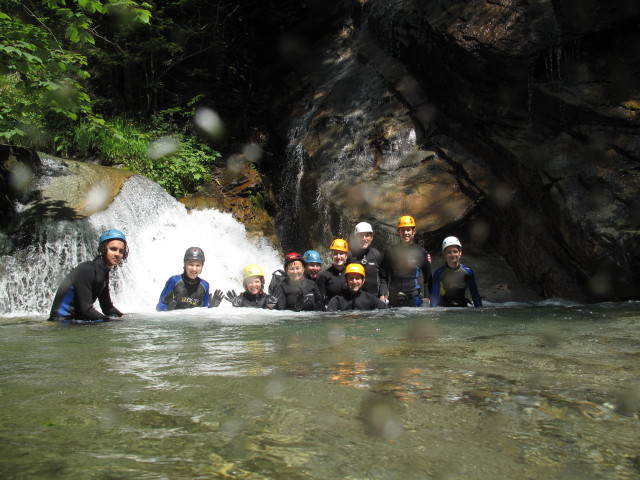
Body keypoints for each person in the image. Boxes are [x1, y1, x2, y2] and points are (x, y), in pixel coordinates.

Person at [49, 229, 129, 322]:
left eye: (121, 251)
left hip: (77, 322)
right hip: (61, 322)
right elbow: (86, 310)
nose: (117, 254)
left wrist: (124, 317)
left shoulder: (104, 273)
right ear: (103, 249)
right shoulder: (87, 269)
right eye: (113, 249)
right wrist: (110, 322)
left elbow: (107, 308)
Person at [379, 215, 432, 307]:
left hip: (414, 300)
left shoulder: (420, 251)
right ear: (398, 231)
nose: (405, 233)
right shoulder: (390, 251)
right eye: (402, 230)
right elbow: (384, 277)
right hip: (394, 300)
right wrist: (382, 295)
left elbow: (428, 278)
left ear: (413, 231)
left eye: (408, 230)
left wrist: (427, 298)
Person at [156, 247, 223, 311]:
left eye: (198, 265)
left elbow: (204, 311)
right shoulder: (174, 281)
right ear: (185, 264)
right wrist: (167, 308)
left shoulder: (205, 285)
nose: (194, 269)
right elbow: (158, 306)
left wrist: (212, 307)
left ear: (202, 266)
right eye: (191, 264)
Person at [430, 236, 482, 307]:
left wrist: (479, 311)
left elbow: (475, 295)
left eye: (455, 251)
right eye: (449, 252)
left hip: (462, 307)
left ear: (460, 253)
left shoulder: (467, 272)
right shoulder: (438, 273)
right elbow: (434, 297)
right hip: (444, 309)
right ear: (444, 254)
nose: (452, 255)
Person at [348, 221, 384, 298]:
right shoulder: (349, 255)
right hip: (352, 300)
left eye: (367, 235)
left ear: (372, 238)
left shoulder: (376, 254)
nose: (364, 239)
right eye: (361, 236)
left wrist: (382, 295)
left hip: (373, 300)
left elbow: (383, 278)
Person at [316, 238, 349, 305]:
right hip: (331, 312)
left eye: (341, 253)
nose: (338, 257)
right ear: (332, 255)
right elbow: (320, 301)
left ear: (346, 256)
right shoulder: (324, 276)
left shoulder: (350, 274)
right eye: (335, 254)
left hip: (348, 312)